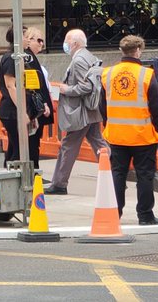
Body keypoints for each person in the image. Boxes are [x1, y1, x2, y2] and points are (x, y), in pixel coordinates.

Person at [101, 34, 158, 225]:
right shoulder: (146, 74)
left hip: (117, 134)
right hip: (142, 135)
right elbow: (156, 106)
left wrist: (108, 124)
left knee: (117, 174)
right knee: (144, 175)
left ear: (122, 51)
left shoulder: (107, 73)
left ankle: (115, 213)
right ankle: (145, 215)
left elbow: (101, 105)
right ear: (138, 51)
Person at [44, 29, 107, 195]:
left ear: (74, 43)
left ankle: (59, 183)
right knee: (98, 142)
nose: (65, 44)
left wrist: (66, 89)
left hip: (81, 112)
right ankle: (114, 172)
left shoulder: (78, 60)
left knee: (68, 146)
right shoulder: (88, 56)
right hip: (90, 110)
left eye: (66, 40)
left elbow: (86, 87)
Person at [0, 26, 53, 166]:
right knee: (19, 149)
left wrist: (42, 104)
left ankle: (13, 179)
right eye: (25, 37)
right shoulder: (11, 58)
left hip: (20, 110)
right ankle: (14, 181)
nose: (28, 40)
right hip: (12, 111)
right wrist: (22, 112)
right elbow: (11, 86)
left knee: (16, 148)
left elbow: (31, 85)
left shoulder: (21, 57)